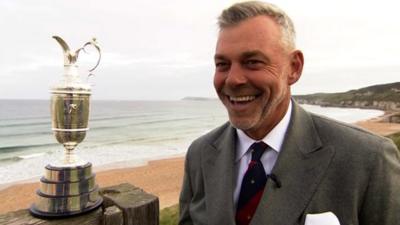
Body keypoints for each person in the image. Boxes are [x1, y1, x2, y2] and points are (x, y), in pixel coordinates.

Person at [179, 1, 400, 225]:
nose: (233, 79)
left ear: (294, 67)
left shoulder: (368, 159)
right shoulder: (200, 154)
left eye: (253, 62)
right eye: (222, 64)